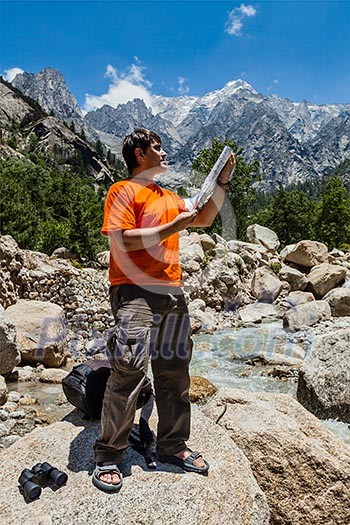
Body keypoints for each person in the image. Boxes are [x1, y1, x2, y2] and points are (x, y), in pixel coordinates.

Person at [92, 128, 236, 492]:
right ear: (139, 154)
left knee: (173, 372)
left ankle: (173, 446)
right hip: (133, 290)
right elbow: (122, 239)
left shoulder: (168, 196)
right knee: (130, 370)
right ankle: (109, 453)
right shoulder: (122, 191)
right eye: (157, 146)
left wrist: (221, 182)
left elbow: (202, 218)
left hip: (171, 291)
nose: (164, 151)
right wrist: (171, 226)